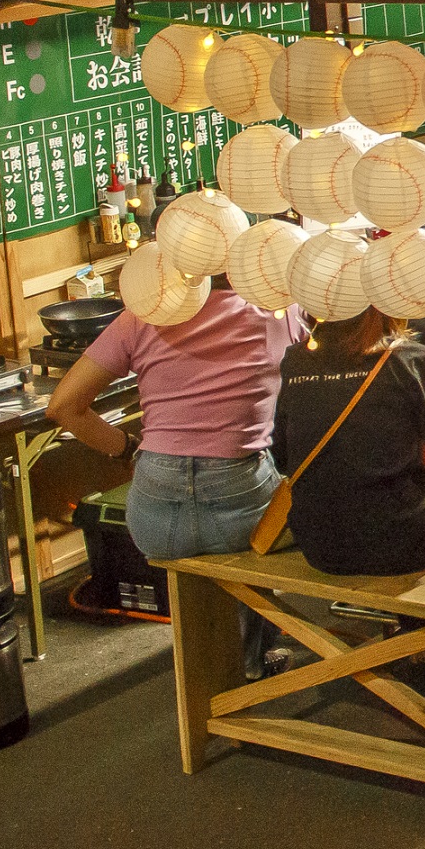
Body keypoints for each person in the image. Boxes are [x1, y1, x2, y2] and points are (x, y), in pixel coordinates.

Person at [50, 286, 307, 676]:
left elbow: (64, 406)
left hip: (155, 515)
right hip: (240, 507)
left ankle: (211, 663)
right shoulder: (278, 310)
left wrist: (126, 449)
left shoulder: (144, 311)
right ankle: (252, 661)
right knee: (272, 515)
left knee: (205, 543)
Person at [270, 308, 425, 576]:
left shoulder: (296, 359)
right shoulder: (412, 358)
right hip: (393, 541)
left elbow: (282, 453)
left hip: (319, 545)